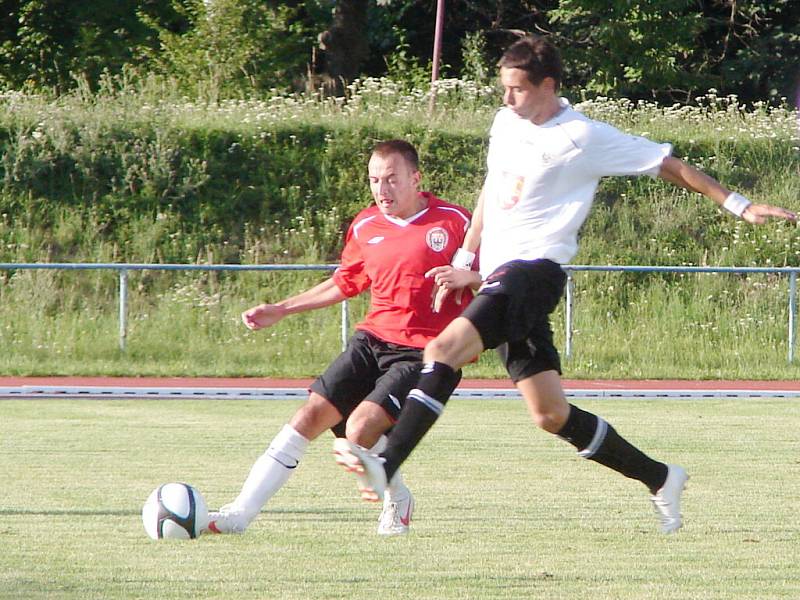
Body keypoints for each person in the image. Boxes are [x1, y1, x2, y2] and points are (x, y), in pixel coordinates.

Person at [333, 35, 798, 534]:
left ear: (548, 85)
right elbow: (494, 186)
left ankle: (390, 462)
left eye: (516, 89)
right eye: (503, 88)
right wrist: (467, 257)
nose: (506, 99)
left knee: (442, 350)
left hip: (534, 274)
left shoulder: (582, 136)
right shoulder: (505, 122)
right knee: (550, 414)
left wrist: (739, 205)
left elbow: (668, 164)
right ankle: (662, 478)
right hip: (498, 279)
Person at [206, 139, 473, 536]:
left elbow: (503, 273)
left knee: (360, 429)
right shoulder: (366, 225)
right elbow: (343, 283)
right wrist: (283, 308)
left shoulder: (455, 221)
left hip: (423, 352)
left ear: (416, 179)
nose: (382, 190)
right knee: (307, 417)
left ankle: (394, 496)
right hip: (371, 341)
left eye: (392, 179)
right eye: (374, 180)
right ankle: (239, 514)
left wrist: (474, 276)